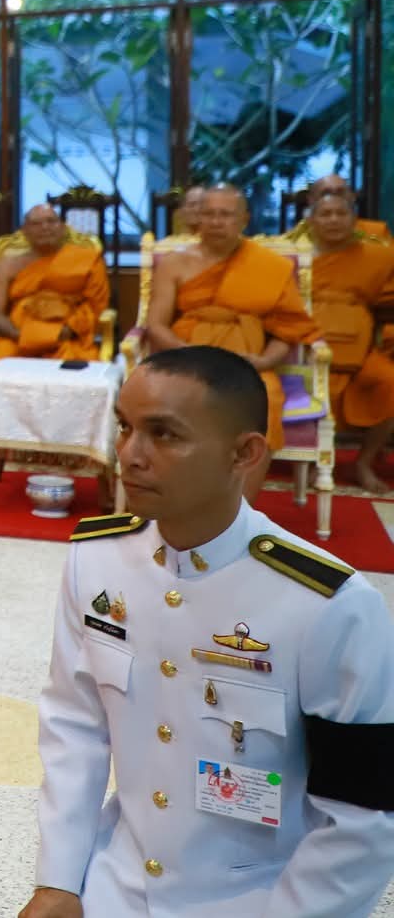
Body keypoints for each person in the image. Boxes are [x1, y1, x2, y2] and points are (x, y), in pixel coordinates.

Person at [23, 346, 394, 918]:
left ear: (243, 453)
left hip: (262, 898)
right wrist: (59, 878)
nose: (130, 455)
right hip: (116, 882)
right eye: (125, 428)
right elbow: (76, 725)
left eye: (164, 435)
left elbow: (363, 813)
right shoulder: (97, 561)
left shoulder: (327, 605)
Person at [148, 184, 319, 491]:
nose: (216, 222)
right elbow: (156, 326)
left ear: (244, 220)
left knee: (263, 406)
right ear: (197, 218)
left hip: (248, 366)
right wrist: (190, 357)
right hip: (187, 362)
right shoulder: (175, 263)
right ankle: (176, 499)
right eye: (209, 214)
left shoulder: (270, 266)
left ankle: (240, 515)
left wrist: (265, 360)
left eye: (225, 215)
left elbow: (288, 329)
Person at [304, 185, 394, 494]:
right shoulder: (295, 255)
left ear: (354, 219)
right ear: (311, 220)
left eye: (341, 213)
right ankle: (316, 461)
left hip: (359, 343)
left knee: (388, 380)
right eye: (325, 214)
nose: (334, 220)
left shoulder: (379, 256)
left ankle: (364, 462)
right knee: (309, 382)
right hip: (305, 343)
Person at [0, 204, 111, 367]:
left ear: (63, 228)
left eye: (51, 221)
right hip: (17, 339)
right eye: (36, 223)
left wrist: (64, 332)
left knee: (78, 379)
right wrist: (22, 336)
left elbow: (95, 306)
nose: (45, 227)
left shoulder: (87, 259)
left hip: (68, 339)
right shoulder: (8, 263)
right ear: (24, 231)